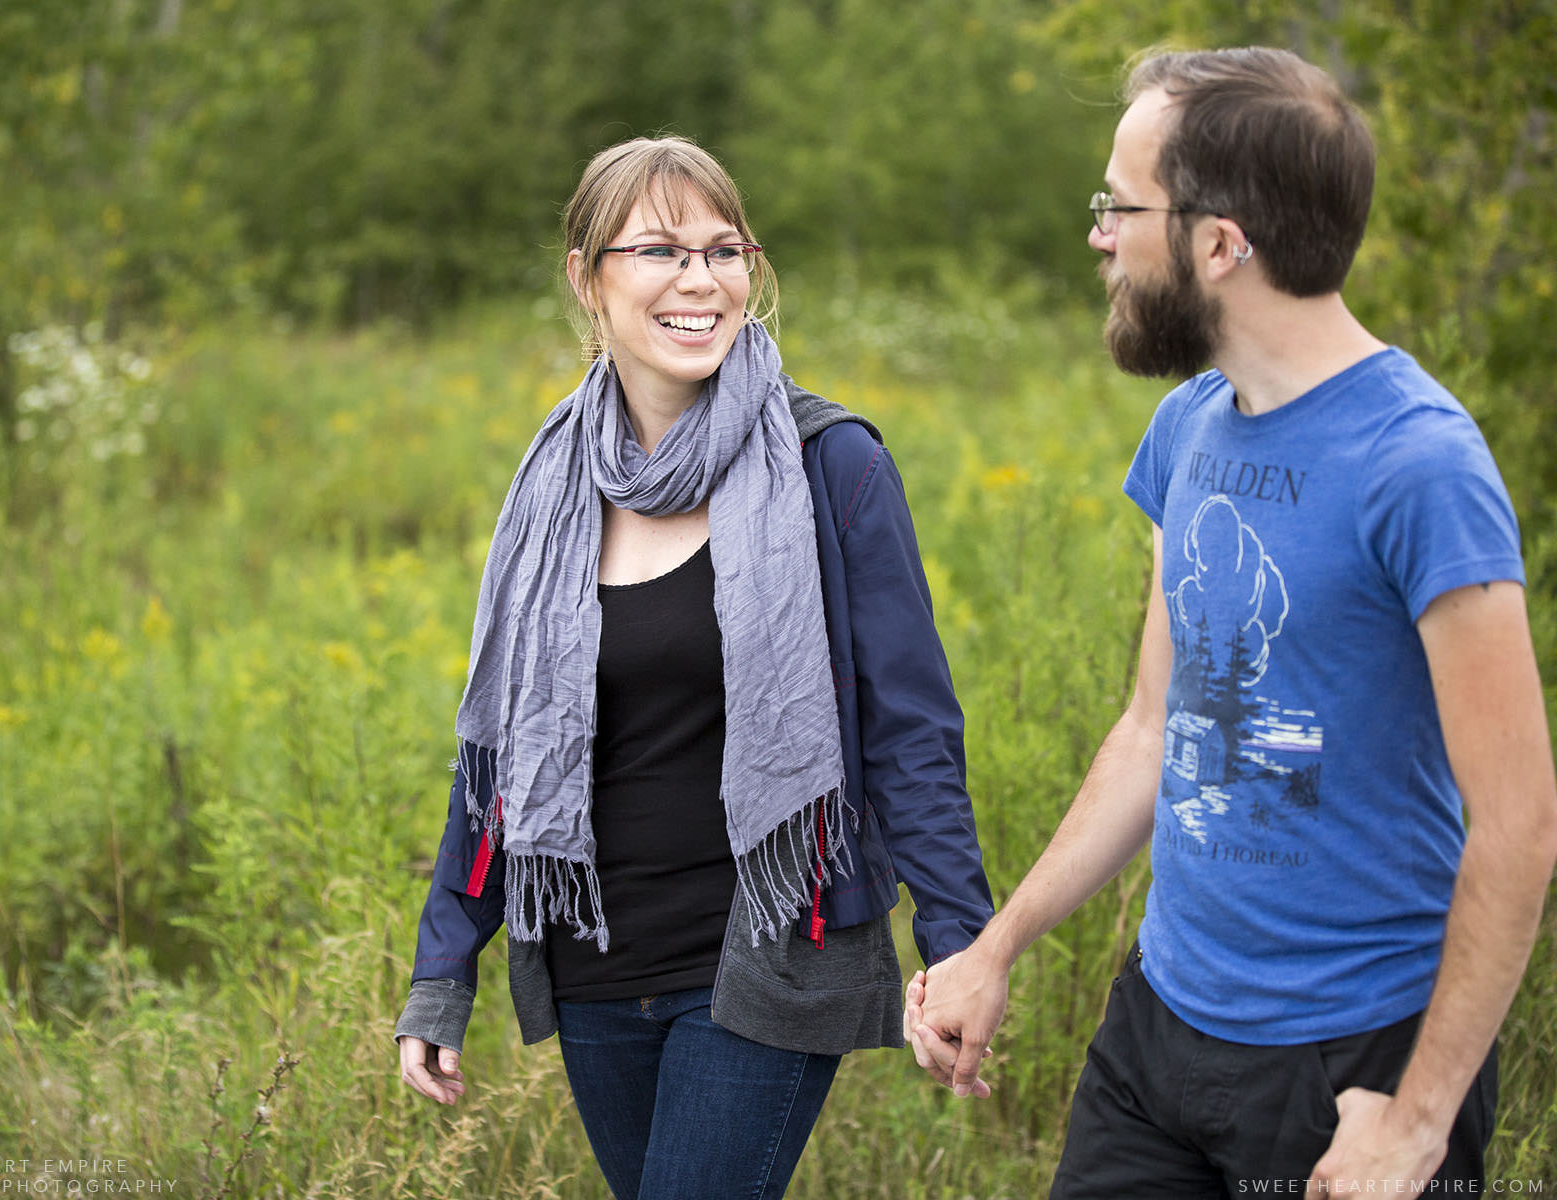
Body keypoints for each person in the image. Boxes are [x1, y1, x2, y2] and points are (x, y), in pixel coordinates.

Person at [907, 46, 1557, 1197]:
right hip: (1157, 1036)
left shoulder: (1419, 465)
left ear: (1219, 243)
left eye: (1121, 203)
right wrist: (992, 948)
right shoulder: (1189, 429)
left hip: (1350, 1067)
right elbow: (1158, 728)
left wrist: (1416, 1120)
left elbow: (1519, 826)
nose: (1100, 232)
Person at [393, 135, 992, 1200]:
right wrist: (444, 966)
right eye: (661, 251)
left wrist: (960, 947)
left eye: (724, 250)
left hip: (769, 952)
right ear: (587, 277)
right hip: (594, 966)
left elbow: (911, 731)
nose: (700, 281)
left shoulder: (831, 465)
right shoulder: (550, 489)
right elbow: (499, 752)